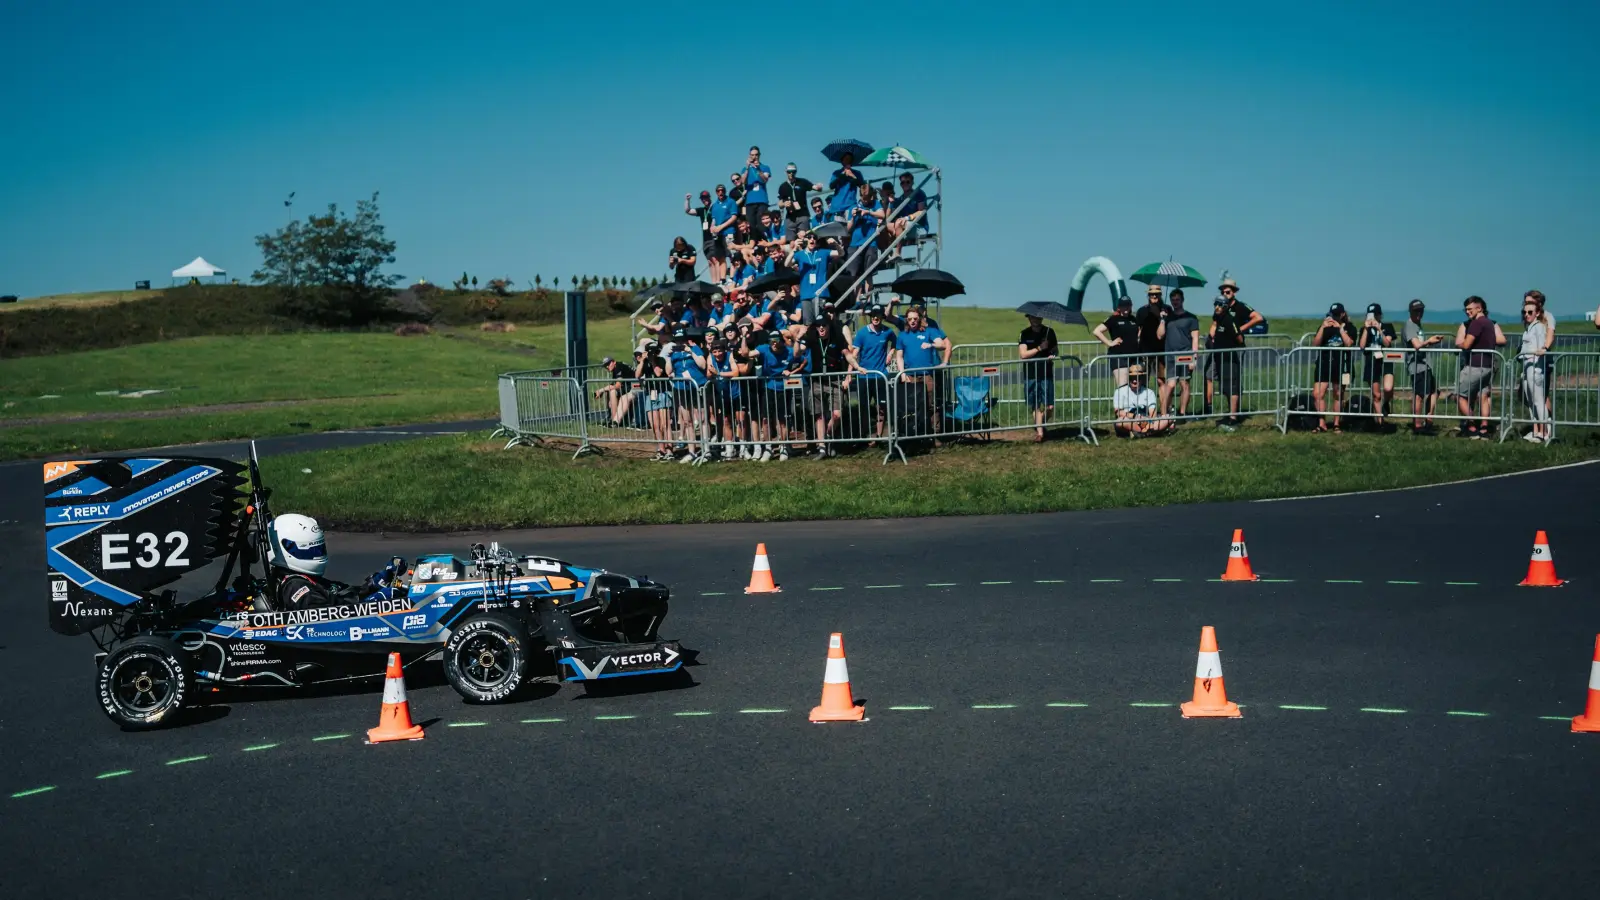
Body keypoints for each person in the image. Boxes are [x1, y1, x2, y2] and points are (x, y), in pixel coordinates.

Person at [1207, 277, 1263, 431]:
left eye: (1228, 292)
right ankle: (1229, 413)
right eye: (1223, 292)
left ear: (1234, 292)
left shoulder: (1240, 307)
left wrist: (1239, 329)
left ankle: (1234, 416)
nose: (1225, 294)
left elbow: (1258, 317)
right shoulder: (1219, 308)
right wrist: (1211, 337)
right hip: (1219, 350)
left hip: (1232, 351)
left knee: (1233, 383)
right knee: (1224, 383)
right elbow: (1214, 324)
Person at [1454, 295, 1506, 439]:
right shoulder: (1490, 323)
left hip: (1475, 365)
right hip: (1488, 366)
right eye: (1466, 309)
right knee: (1483, 396)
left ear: (1479, 308)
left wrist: (1460, 344)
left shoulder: (1476, 323)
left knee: (1459, 396)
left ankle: (1472, 425)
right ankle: (1484, 428)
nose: (1467, 312)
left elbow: (1466, 344)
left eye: (1470, 309)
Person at [895, 305, 950, 439]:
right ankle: (916, 434)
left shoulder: (929, 331)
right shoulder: (902, 336)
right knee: (913, 407)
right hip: (910, 376)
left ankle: (935, 435)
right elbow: (899, 356)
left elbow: (942, 344)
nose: (912, 321)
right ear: (906, 320)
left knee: (931, 405)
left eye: (915, 318)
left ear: (919, 319)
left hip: (927, 375)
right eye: (909, 319)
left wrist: (931, 344)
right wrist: (902, 374)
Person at [848, 305, 898, 442]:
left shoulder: (887, 332)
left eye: (878, 315)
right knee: (863, 408)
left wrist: (891, 353)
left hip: (880, 376)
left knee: (881, 407)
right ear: (871, 317)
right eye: (873, 315)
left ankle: (879, 436)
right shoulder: (862, 333)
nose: (876, 318)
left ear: (882, 317)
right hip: (864, 377)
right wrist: (848, 375)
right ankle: (866, 436)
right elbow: (853, 355)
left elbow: (896, 342)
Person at [805, 316, 851, 457]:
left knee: (837, 414)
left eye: (824, 325)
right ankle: (822, 447)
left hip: (835, 381)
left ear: (829, 326)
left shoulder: (837, 336)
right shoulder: (812, 337)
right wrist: (798, 339)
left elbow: (848, 354)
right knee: (819, 416)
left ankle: (827, 435)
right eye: (818, 325)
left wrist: (855, 369)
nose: (821, 327)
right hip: (817, 381)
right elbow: (797, 352)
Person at [1402, 299, 1445, 434]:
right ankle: (1418, 425)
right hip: (1417, 366)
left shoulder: (1417, 325)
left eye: (1421, 311)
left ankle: (1428, 420)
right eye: (1416, 311)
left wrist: (1431, 341)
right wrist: (1429, 341)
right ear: (1410, 311)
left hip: (1425, 365)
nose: (1419, 314)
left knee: (1434, 391)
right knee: (1419, 395)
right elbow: (1416, 345)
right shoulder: (1410, 325)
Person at [1312, 303, 1356, 432]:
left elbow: (1349, 344)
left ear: (1342, 314)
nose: (1334, 317)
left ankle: (1337, 424)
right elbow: (1315, 344)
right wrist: (1322, 327)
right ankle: (1321, 423)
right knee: (1317, 394)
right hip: (1324, 363)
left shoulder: (1350, 327)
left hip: (1343, 364)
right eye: (1333, 315)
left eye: (1337, 315)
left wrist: (1341, 329)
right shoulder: (1325, 326)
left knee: (1338, 394)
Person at [1157, 289, 1200, 417]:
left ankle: (1182, 413)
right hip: (1170, 356)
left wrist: (1194, 357)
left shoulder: (1191, 318)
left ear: (1182, 300)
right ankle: (1164, 414)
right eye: (1173, 300)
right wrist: (1162, 320)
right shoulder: (1167, 317)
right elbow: (1159, 335)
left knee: (1184, 383)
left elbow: (1195, 338)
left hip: (1186, 355)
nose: (1175, 302)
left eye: (1177, 300)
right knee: (1170, 385)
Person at [667, 328, 708, 462]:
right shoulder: (674, 354)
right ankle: (692, 451)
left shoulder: (695, 348)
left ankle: (706, 449)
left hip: (697, 385)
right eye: (678, 341)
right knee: (688, 421)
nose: (680, 343)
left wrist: (690, 351)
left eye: (682, 340)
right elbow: (668, 371)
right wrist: (668, 357)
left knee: (702, 419)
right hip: (682, 388)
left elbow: (703, 365)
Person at [1018, 312, 1059, 442]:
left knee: (1050, 407)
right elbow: (1023, 354)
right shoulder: (1024, 333)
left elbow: (1055, 349)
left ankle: (1040, 423)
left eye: (1038, 317)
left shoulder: (1049, 332)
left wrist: (1053, 354)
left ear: (1042, 318)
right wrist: (1039, 348)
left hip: (1046, 373)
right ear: (1029, 318)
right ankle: (1040, 433)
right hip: (1031, 374)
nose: (1035, 319)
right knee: (1035, 405)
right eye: (1033, 317)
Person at [706, 339, 749, 460]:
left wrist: (718, 373)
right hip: (723, 394)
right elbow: (708, 374)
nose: (717, 354)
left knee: (741, 420)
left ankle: (743, 448)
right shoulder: (710, 357)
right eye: (715, 351)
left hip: (736, 393)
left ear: (724, 350)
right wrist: (711, 373)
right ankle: (729, 449)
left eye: (719, 351)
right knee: (726, 421)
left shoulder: (729, 356)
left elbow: (735, 373)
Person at [1517, 300, 1552, 443]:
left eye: (1530, 312)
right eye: (1524, 312)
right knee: (1531, 402)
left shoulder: (1539, 327)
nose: (1526, 314)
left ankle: (1544, 433)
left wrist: (1542, 352)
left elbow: (1542, 347)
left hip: (1535, 368)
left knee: (1538, 401)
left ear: (1537, 313)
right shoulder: (1529, 328)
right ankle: (1536, 430)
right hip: (1526, 366)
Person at [1358, 303, 1398, 427]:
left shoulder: (1388, 327)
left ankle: (1386, 403)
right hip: (1372, 361)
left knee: (1388, 388)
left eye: (1375, 315)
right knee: (1376, 395)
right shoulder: (1364, 329)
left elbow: (1387, 343)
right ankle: (1380, 422)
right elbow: (1362, 346)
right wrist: (1366, 329)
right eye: (1371, 315)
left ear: (1380, 315)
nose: (1373, 318)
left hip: (1386, 360)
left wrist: (1379, 330)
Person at [1093, 296, 1141, 386]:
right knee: (1123, 386)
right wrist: (1109, 343)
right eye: (1123, 305)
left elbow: (1138, 332)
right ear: (1119, 307)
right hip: (1119, 357)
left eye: (1128, 305)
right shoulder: (1113, 319)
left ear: (1131, 306)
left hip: (1134, 357)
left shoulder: (1133, 319)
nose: (1126, 307)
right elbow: (1097, 331)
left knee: (1136, 386)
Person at [1112, 364, 1170, 438]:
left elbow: (1153, 413)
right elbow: (1118, 412)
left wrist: (1147, 420)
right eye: (1132, 378)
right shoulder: (1119, 391)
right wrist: (1135, 417)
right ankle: (1149, 432)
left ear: (1142, 379)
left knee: (1168, 417)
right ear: (1128, 378)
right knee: (1121, 421)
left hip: (1146, 420)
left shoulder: (1149, 392)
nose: (1134, 381)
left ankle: (1139, 432)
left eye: (1137, 378)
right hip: (1129, 420)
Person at [1134, 285, 1171, 382]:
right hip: (1145, 351)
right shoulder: (1142, 310)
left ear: (1161, 295)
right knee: (1143, 380)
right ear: (1148, 295)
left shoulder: (1167, 309)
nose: (1154, 296)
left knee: (1161, 380)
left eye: (1157, 294)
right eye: (1152, 294)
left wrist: (1163, 318)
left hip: (1162, 351)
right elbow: (1138, 330)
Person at [684, 191, 722, 283]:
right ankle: (714, 282)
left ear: (709, 197)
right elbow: (688, 211)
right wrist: (687, 200)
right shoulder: (702, 210)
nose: (704, 200)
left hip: (715, 237)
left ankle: (719, 281)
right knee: (710, 261)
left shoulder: (715, 207)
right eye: (702, 198)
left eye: (706, 197)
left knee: (715, 259)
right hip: (705, 239)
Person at [593, 355, 640, 427]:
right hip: (630, 386)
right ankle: (613, 420)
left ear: (614, 362)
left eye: (608, 364)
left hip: (636, 386)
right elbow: (614, 385)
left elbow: (618, 385)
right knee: (611, 391)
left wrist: (601, 390)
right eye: (605, 366)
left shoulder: (618, 367)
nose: (607, 367)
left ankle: (614, 421)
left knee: (612, 392)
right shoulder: (616, 368)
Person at [708, 184, 740, 281]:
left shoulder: (731, 202)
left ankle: (734, 278)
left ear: (725, 191)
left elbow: (734, 217)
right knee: (720, 257)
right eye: (718, 191)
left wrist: (721, 226)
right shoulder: (715, 205)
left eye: (722, 190)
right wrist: (712, 227)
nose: (720, 192)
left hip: (728, 232)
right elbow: (714, 219)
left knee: (732, 255)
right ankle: (723, 279)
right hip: (718, 235)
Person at [776, 163, 816, 240]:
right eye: (789, 172)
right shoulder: (782, 186)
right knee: (791, 242)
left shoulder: (802, 182)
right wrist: (784, 204)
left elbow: (815, 187)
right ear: (786, 172)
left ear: (796, 172)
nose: (791, 173)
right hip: (790, 217)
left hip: (803, 215)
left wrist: (818, 187)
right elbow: (780, 204)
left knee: (804, 239)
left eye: (793, 171)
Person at [887, 171, 928, 239]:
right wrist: (890, 203)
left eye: (908, 182)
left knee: (900, 223)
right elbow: (888, 218)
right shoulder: (900, 200)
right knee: (884, 227)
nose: (905, 184)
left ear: (912, 183)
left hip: (920, 228)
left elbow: (921, 211)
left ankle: (898, 244)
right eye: (902, 182)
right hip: (903, 226)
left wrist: (906, 218)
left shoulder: (919, 193)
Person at [828, 152, 866, 219]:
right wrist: (841, 176)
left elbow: (863, 187)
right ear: (842, 161)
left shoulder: (857, 173)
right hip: (837, 207)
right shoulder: (836, 173)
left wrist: (853, 176)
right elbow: (831, 186)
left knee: (851, 223)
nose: (848, 161)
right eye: (846, 159)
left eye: (850, 159)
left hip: (851, 205)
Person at [741, 146, 771, 229]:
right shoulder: (745, 169)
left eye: (756, 155)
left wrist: (759, 169)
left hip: (762, 200)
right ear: (749, 156)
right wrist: (747, 168)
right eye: (752, 155)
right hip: (750, 201)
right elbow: (743, 181)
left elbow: (765, 180)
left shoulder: (765, 167)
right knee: (751, 226)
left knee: (762, 225)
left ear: (759, 155)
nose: (754, 157)